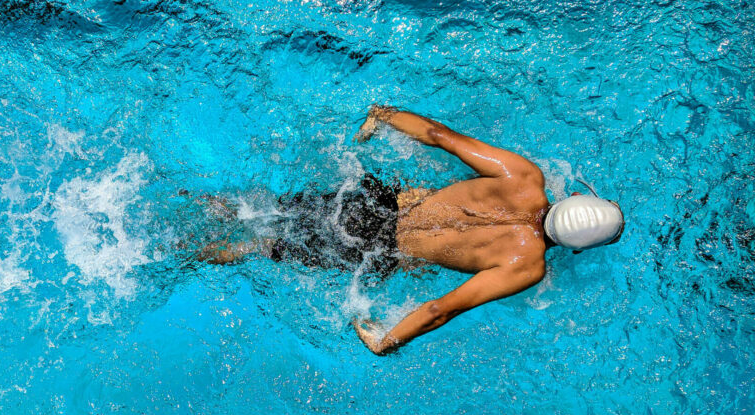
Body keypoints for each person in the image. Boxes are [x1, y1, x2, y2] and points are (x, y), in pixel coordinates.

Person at [200, 105, 624, 355]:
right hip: (376, 249)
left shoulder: (524, 177)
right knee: (262, 247)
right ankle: (185, 252)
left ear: (573, 198)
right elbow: (443, 308)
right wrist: (388, 341)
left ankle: (199, 201)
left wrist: (384, 116)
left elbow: (440, 136)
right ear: (578, 248)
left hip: (374, 201)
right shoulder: (526, 265)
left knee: (262, 209)